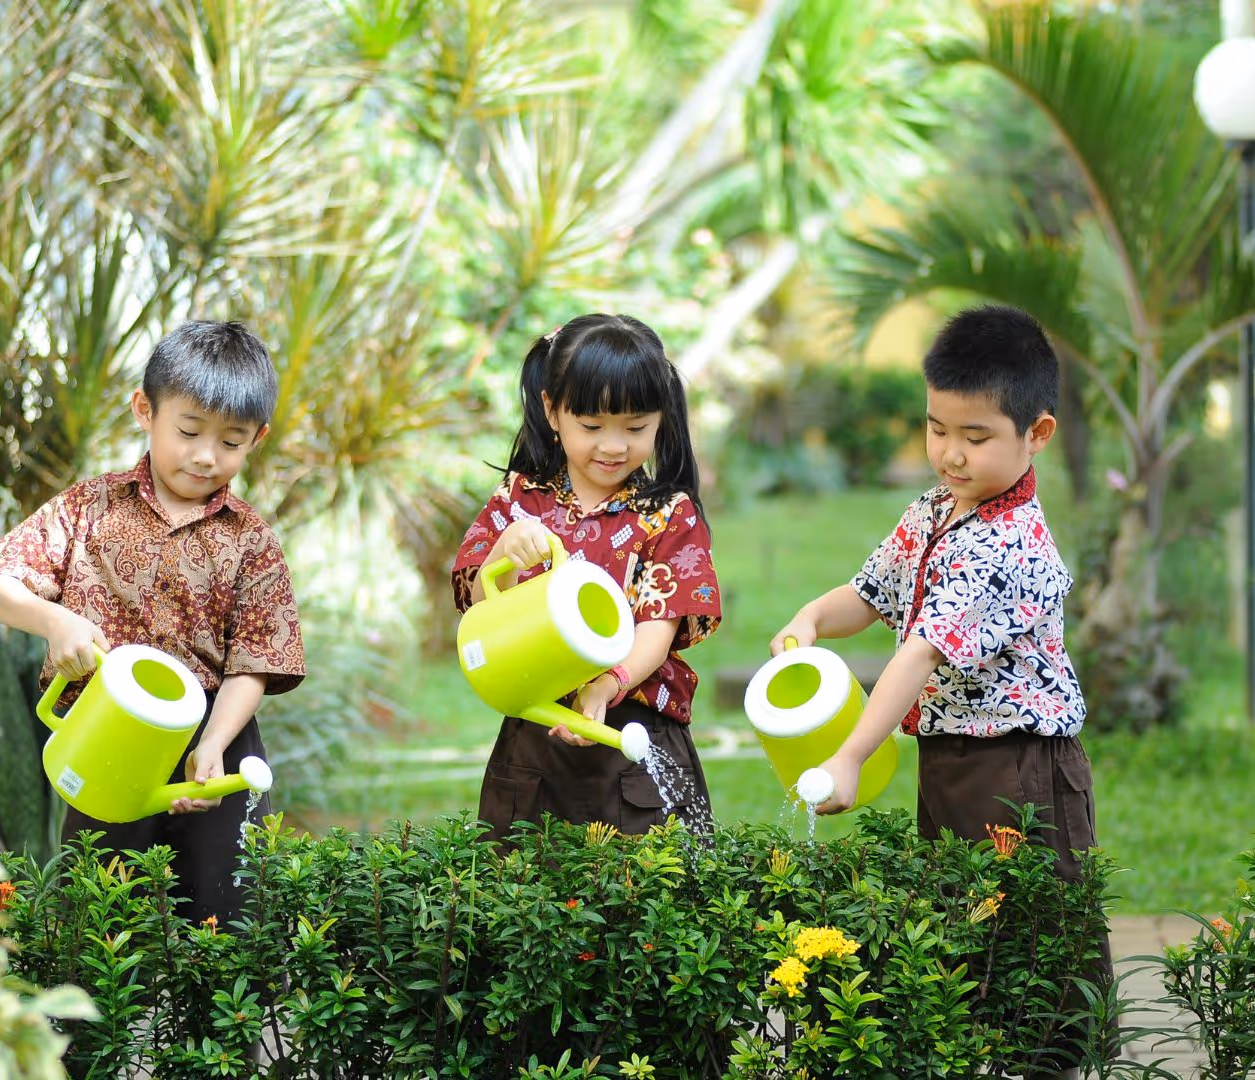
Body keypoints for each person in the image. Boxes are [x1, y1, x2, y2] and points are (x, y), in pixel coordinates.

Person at [770, 304, 1109, 1076]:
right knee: (964, 945)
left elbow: (919, 654)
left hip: (1020, 770)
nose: (950, 454)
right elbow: (873, 592)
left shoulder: (1005, 542)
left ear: (1038, 435)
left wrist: (854, 754)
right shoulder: (933, 510)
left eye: (976, 436)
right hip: (952, 761)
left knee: (1032, 956)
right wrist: (814, 616)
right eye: (937, 429)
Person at [0, 321, 305, 924]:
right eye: (189, 431)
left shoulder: (251, 539)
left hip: (211, 735)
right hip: (107, 734)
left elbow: (256, 663)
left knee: (223, 917)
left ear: (258, 437)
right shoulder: (88, 507)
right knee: (100, 923)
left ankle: (211, 1019)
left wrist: (214, 744)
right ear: (144, 410)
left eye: (231, 441)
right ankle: (96, 1023)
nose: (206, 455)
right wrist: (54, 621)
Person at [452, 314, 720, 836]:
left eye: (636, 427)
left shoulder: (668, 514)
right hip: (535, 733)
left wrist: (606, 686)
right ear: (553, 410)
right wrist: (500, 555)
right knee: (523, 893)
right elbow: (483, 605)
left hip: (634, 734)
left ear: (661, 417)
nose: (614, 446)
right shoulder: (519, 501)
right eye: (592, 427)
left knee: (646, 895)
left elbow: (658, 629)